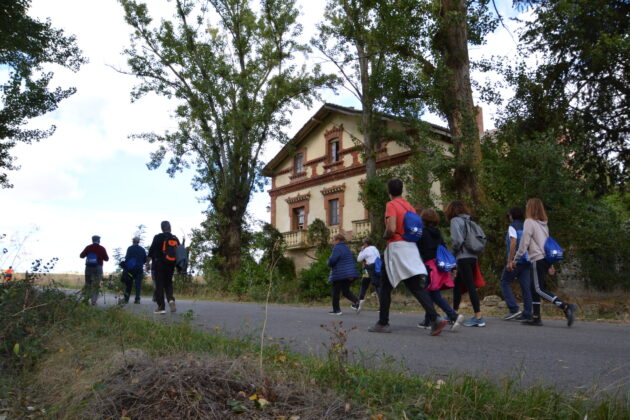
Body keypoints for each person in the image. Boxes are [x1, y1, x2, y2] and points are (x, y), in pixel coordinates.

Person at [368, 179, 447, 335]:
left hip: (396, 248)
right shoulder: (408, 206)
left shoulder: (391, 205)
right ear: (402, 190)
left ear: (389, 191)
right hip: (410, 248)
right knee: (415, 286)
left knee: (384, 286)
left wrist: (385, 235)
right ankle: (435, 318)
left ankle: (383, 323)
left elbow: (391, 228)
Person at [509, 198, 577, 327]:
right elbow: (545, 244)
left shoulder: (529, 222)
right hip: (545, 259)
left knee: (538, 289)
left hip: (537, 259)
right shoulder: (543, 224)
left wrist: (515, 259)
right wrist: (550, 264)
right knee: (534, 289)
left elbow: (524, 243)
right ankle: (536, 317)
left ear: (530, 208)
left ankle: (565, 306)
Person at [417, 209, 465, 331]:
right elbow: (444, 250)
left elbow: (417, 251)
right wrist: (453, 266)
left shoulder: (422, 233)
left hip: (428, 267)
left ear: (423, 220)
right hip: (438, 267)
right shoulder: (438, 233)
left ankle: (453, 316)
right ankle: (427, 321)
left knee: (433, 294)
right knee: (431, 293)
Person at [446, 200, 485, 327]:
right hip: (473, 257)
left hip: (463, 257)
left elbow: (457, 241)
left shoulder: (455, 221)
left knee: (470, 286)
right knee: (457, 286)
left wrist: (451, 255)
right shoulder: (470, 221)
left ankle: (478, 317)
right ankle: (453, 314)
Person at [500, 207, 532, 321]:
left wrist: (510, 260)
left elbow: (513, 242)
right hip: (527, 260)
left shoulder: (512, 226)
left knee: (505, 282)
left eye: (509, 215)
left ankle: (514, 309)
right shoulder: (526, 226)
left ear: (511, 216)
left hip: (516, 261)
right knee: (525, 287)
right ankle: (528, 313)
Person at [147, 221, 180, 314]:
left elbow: (151, 250)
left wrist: (147, 263)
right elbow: (179, 253)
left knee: (159, 285)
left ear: (162, 228)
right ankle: (171, 300)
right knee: (168, 283)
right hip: (171, 265)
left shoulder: (158, 237)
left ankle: (161, 307)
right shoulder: (175, 238)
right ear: (170, 228)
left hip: (159, 265)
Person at [327, 233, 360, 315]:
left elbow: (333, 260)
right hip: (350, 273)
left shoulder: (337, 248)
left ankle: (337, 310)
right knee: (345, 291)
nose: (332, 242)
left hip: (340, 273)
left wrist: (328, 263)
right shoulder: (346, 248)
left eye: (333, 240)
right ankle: (357, 302)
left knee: (336, 292)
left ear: (338, 240)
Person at [79, 235, 109, 305]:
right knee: (96, 284)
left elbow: (81, 256)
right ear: (99, 240)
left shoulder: (88, 247)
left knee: (88, 284)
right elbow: (107, 259)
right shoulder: (102, 248)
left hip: (89, 267)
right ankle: (93, 301)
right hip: (98, 267)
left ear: (92, 240)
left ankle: (86, 299)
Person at [356, 237, 381, 313]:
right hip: (377, 269)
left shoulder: (366, 250)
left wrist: (361, 251)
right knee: (378, 286)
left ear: (366, 244)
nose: (363, 245)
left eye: (363, 243)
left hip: (367, 270)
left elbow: (358, 259)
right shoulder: (375, 249)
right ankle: (382, 305)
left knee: (364, 286)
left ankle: (358, 304)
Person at [122, 237, 147, 304]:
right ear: (138, 242)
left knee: (129, 284)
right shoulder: (142, 249)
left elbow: (127, 258)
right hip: (139, 269)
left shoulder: (130, 248)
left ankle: (126, 299)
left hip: (130, 269)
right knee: (138, 284)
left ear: (132, 241)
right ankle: (137, 299)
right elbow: (145, 259)